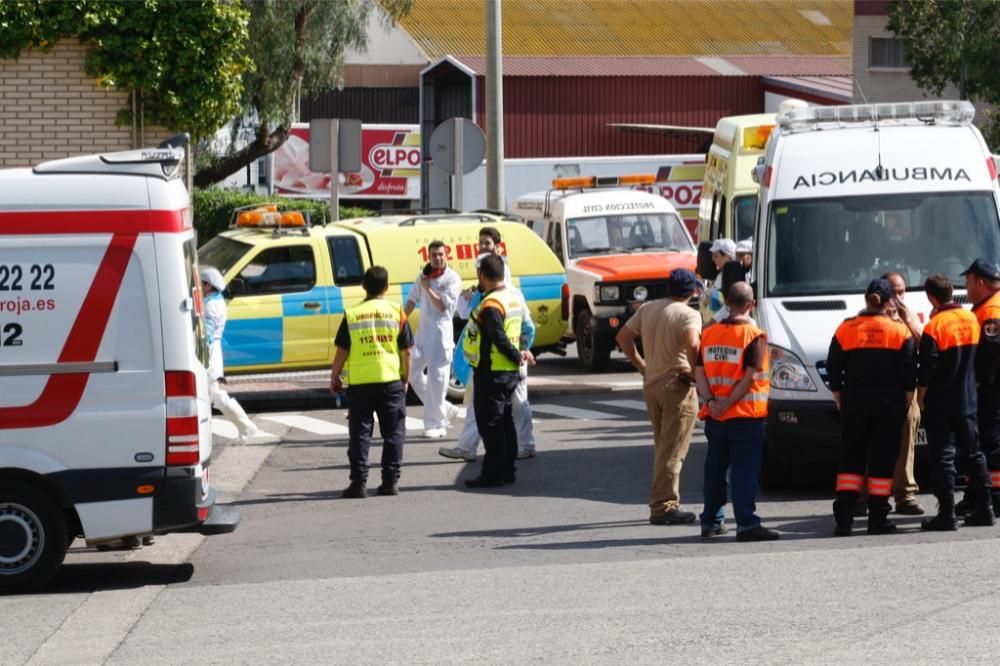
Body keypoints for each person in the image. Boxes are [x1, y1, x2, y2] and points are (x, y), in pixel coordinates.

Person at [826, 278, 917, 536]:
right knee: (882, 462)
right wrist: (907, 402)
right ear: (889, 302)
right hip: (888, 403)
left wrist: (839, 397)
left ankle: (844, 520)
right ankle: (878, 519)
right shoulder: (899, 331)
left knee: (850, 459)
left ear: (866, 299)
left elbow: (833, 367)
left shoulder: (847, 328)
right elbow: (910, 374)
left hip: (854, 401)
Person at [616, 268, 701, 525]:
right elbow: (693, 343)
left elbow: (623, 337)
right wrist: (696, 373)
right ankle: (663, 506)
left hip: (652, 383)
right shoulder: (689, 314)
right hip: (677, 384)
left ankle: (663, 500)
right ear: (692, 291)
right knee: (673, 449)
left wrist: (642, 366)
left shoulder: (649, 309)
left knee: (663, 445)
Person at [695, 282, 779, 541]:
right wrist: (728, 403)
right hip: (745, 414)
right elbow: (750, 378)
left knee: (715, 469)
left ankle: (710, 520)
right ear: (751, 304)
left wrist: (711, 402)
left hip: (715, 415)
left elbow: (698, 371)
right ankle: (746, 524)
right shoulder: (755, 336)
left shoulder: (709, 334)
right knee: (744, 471)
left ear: (727, 303)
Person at [439, 254, 537, 462]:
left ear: (484, 275)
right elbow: (470, 318)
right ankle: (467, 447)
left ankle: (522, 447)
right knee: (478, 408)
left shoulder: (506, 297)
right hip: (485, 364)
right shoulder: (486, 296)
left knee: (513, 408)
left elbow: (523, 328)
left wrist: (520, 351)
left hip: (502, 364)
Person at [918, 273, 994, 530]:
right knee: (975, 453)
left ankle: (947, 514)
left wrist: (920, 398)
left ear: (931, 298)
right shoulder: (971, 319)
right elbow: (983, 357)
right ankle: (985, 509)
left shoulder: (934, 327)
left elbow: (927, 370)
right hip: (968, 400)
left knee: (944, 458)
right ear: (951, 292)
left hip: (941, 403)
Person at [330, 266, 414, 498]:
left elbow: (342, 351)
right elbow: (407, 351)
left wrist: (334, 376)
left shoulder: (353, 314)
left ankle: (358, 484)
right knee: (394, 433)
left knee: (360, 435)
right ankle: (390, 482)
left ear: (363, 286)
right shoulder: (397, 312)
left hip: (361, 385)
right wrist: (406, 378)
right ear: (387, 288)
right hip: (390, 381)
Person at [462, 253, 534, 488]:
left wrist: (517, 354)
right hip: (508, 371)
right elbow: (524, 328)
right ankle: (507, 470)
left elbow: (498, 338)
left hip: (492, 371)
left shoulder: (491, 304)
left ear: (482, 276)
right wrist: (522, 351)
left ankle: (493, 472)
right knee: (505, 423)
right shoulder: (512, 297)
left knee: (491, 425)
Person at [200, 266, 274, 445]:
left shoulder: (211, 306)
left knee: (214, 394)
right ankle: (243, 427)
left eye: (201, 284)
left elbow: (206, 336)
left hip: (209, 353)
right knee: (211, 395)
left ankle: (246, 426)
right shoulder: (215, 301)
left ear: (208, 285)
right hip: (213, 351)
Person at [404, 239, 461, 439]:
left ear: (446, 255)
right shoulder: (423, 276)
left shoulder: (452, 278)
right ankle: (444, 408)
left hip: (440, 334)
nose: (437, 258)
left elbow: (442, 306)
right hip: (422, 334)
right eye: (434, 255)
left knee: (438, 379)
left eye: (441, 254)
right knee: (411, 372)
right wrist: (401, 322)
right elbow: (411, 300)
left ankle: (436, 424)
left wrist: (428, 288)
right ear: (428, 257)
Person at [963, 259, 1000, 517]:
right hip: (989, 385)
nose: (966, 288)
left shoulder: (992, 311)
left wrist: (978, 380)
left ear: (980, 282)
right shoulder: (987, 306)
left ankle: (995, 495)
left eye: (967, 282)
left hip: (991, 387)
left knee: (991, 439)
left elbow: (991, 351)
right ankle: (977, 494)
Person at [704, 238, 736, 318]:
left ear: (727, 257)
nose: (713, 259)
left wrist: (710, 298)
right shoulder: (721, 275)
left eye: (716, 255)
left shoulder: (734, 276)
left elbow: (719, 302)